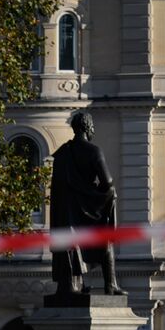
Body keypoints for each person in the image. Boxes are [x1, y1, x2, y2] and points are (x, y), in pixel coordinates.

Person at [49, 111, 123, 298]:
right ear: (88, 127)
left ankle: (70, 285)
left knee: (72, 245)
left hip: (67, 213)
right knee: (106, 239)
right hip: (87, 209)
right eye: (93, 127)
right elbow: (108, 181)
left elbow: (57, 189)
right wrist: (104, 194)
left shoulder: (62, 154)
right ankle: (110, 285)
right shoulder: (93, 151)